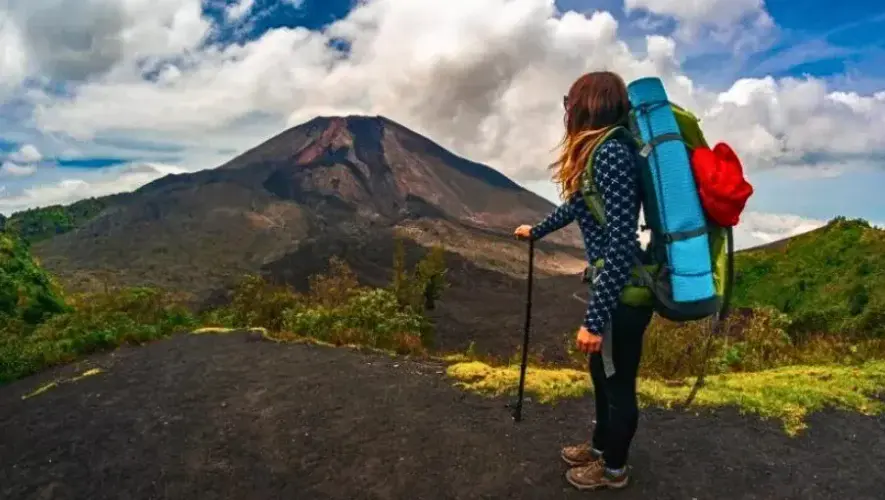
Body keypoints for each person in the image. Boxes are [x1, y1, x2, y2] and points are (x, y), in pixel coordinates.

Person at [513, 71, 654, 491]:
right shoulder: (600, 152)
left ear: (588, 105)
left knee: (618, 383)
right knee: (602, 374)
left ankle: (614, 469)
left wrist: (594, 320)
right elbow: (577, 205)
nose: (567, 109)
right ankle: (600, 446)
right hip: (615, 287)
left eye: (570, 101)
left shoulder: (611, 153)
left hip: (624, 293)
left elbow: (621, 243)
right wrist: (536, 231)